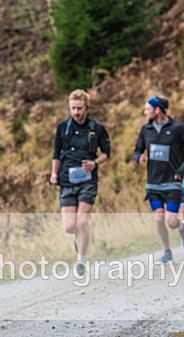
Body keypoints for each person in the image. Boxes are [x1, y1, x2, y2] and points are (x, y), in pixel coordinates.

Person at [133, 95, 184, 264]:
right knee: (158, 218)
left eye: (148, 109)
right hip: (153, 184)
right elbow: (137, 150)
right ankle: (167, 252)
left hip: (172, 183)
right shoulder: (145, 129)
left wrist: (182, 169)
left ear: (157, 110)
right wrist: (138, 157)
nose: (145, 112)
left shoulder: (177, 128)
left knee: (170, 221)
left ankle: (181, 227)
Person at [50, 89, 110, 276]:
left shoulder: (97, 128)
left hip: (87, 180)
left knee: (82, 221)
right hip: (67, 179)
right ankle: (80, 237)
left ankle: (81, 260)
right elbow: (56, 153)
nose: (76, 112)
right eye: (73, 108)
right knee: (70, 226)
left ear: (86, 107)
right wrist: (53, 173)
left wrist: (95, 163)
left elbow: (106, 153)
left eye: (79, 108)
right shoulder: (62, 127)